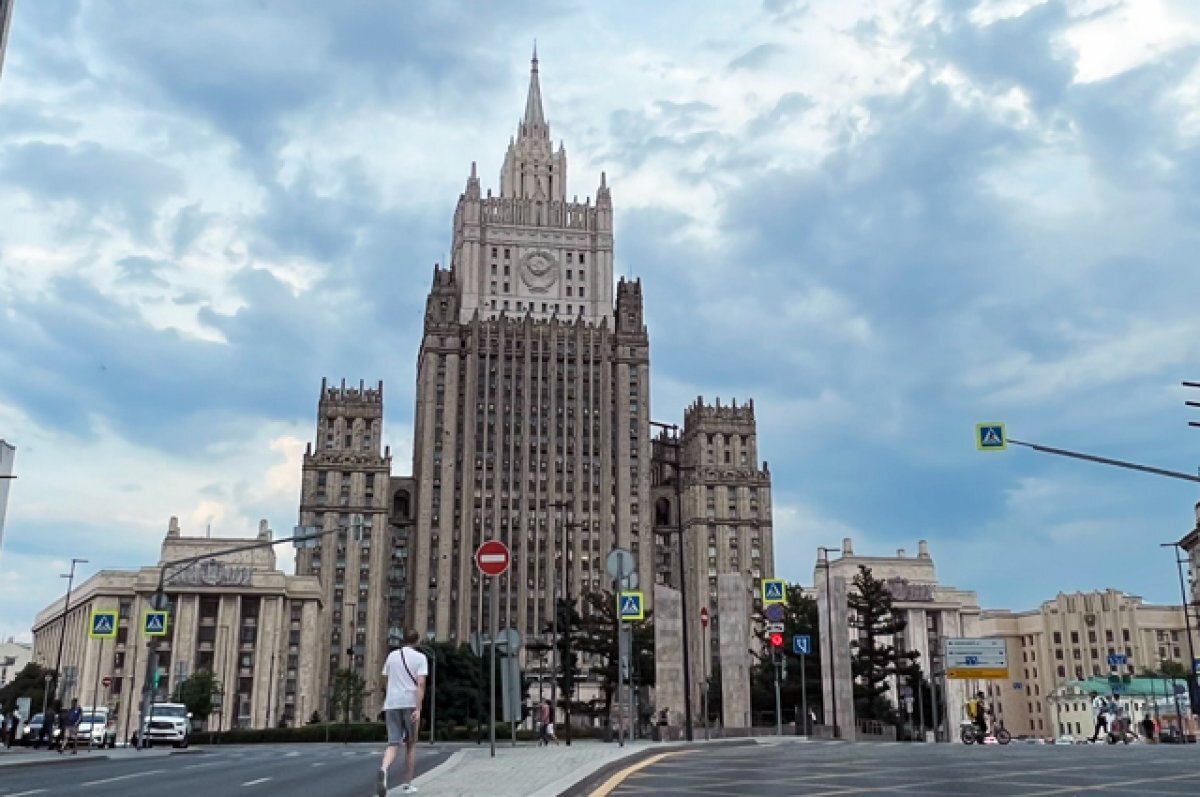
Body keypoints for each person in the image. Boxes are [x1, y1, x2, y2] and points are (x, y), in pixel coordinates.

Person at [378, 631, 428, 796]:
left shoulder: (392, 656)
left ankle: (384, 770)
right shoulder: (420, 658)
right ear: (416, 641)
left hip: (392, 703)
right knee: (411, 745)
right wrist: (418, 708)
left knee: (393, 743)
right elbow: (420, 684)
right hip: (410, 703)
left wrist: (389, 695)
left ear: (402, 640)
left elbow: (385, 679)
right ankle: (407, 784)